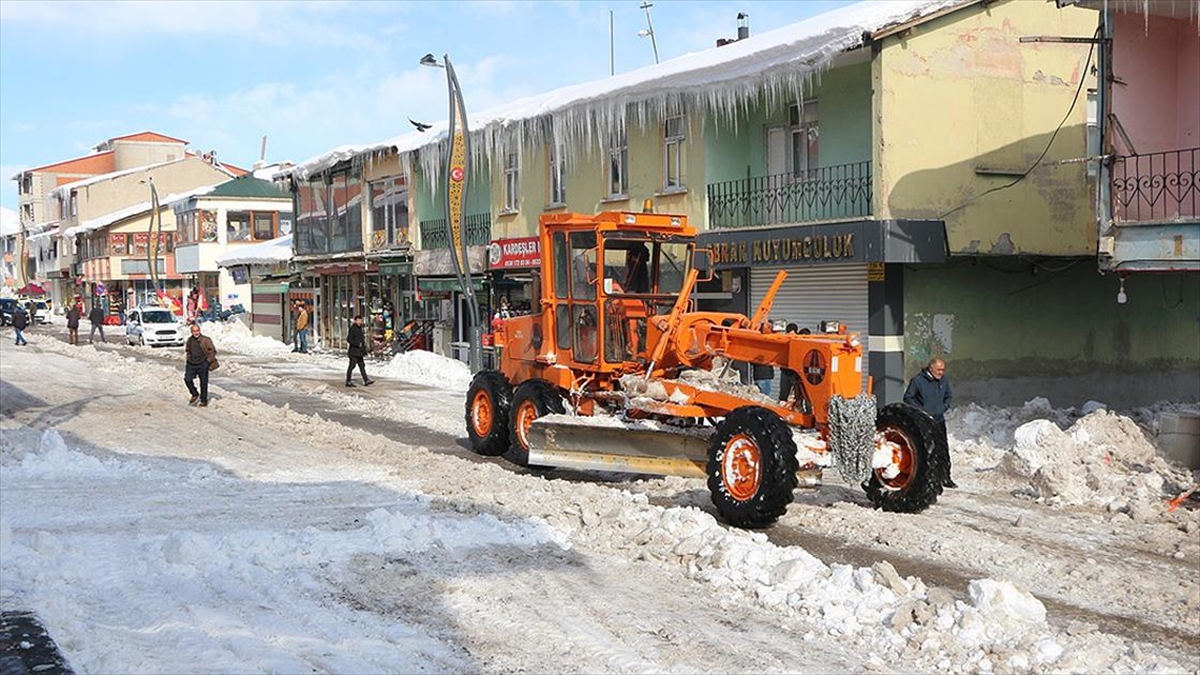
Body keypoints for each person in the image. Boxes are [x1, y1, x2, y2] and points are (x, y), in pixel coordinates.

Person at [904, 357, 956, 488]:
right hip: (924, 421)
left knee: (943, 449)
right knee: (927, 450)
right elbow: (908, 398)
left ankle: (945, 477)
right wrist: (921, 411)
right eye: (938, 370)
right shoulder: (917, 381)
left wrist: (943, 407)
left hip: (939, 420)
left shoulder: (943, 380)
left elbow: (949, 396)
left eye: (943, 370)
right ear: (931, 369)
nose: (941, 372)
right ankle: (928, 478)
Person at [184, 322, 219, 407]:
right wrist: (188, 359)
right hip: (191, 363)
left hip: (203, 363)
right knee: (187, 379)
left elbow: (212, 351)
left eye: (197, 330)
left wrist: (207, 361)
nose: (196, 333)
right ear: (191, 332)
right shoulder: (190, 340)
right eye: (194, 331)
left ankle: (204, 400)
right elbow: (187, 350)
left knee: (203, 382)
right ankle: (195, 393)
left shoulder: (206, 340)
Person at [345, 315, 374, 387]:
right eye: (358, 320)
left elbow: (362, 340)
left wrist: (365, 349)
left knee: (362, 366)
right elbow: (349, 339)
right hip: (354, 352)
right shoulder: (353, 329)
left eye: (360, 320)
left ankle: (366, 380)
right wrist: (357, 344)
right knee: (352, 366)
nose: (359, 322)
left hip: (360, 352)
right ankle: (348, 381)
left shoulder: (360, 328)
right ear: (355, 321)